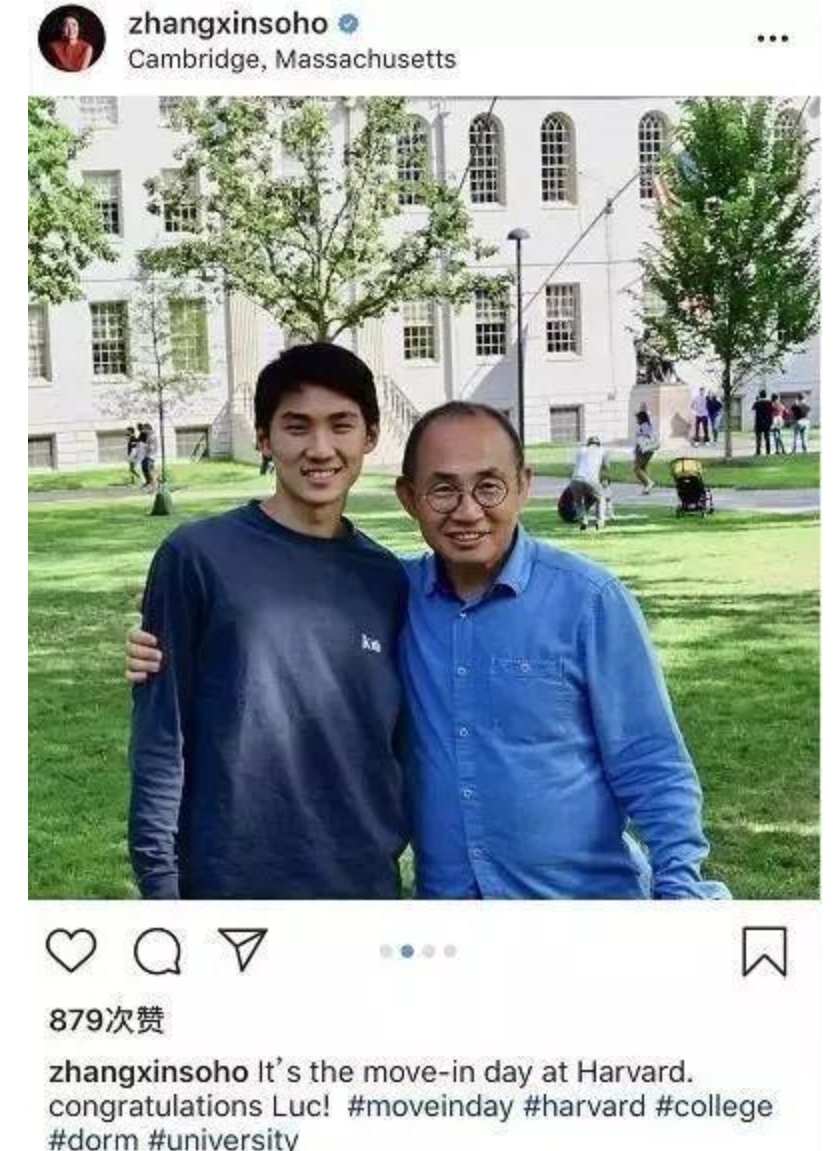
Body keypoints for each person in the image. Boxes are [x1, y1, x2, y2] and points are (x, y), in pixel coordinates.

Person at [127, 343, 409, 899]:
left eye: (341, 425)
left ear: (371, 436)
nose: (320, 449)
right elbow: (161, 736)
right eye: (297, 427)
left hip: (363, 884)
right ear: (263, 438)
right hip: (228, 884)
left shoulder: (391, 580)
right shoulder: (196, 557)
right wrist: (160, 883)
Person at [569, 435, 610, 530]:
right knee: (600, 498)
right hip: (591, 480)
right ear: (598, 444)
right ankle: (600, 522)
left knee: (579, 502)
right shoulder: (602, 451)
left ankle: (583, 521)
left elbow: (573, 466)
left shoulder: (580, 450)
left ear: (588, 444)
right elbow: (607, 467)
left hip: (575, 480)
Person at [633, 405, 658, 494]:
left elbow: (648, 435)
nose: (636, 420)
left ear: (641, 419)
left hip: (644, 450)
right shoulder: (645, 425)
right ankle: (647, 487)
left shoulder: (644, 425)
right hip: (646, 450)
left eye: (637, 418)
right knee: (642, 468)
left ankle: (649, 483)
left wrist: (640, 434)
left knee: (637, 469)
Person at [752, 389, 774, 456]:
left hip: (759, 423)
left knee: (758, 439)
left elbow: (753, 408)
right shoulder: (769, 403)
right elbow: (771, 412)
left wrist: (757, 400)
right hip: (767, 423)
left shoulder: (757, 403)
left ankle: (758, 452)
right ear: (765, 395)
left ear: (760, 395)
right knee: (767, 438)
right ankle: (768, 451)